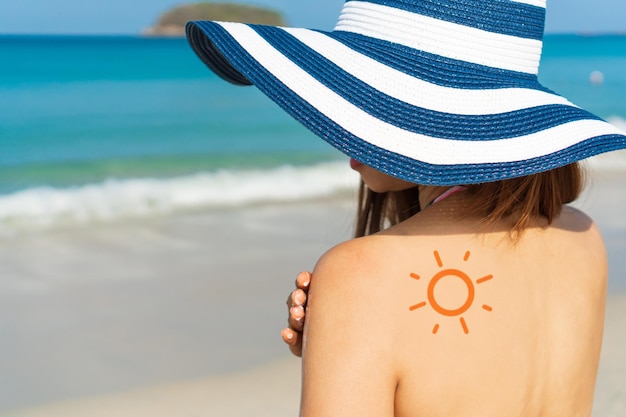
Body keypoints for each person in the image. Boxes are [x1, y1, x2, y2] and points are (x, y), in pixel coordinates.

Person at [185, 0, 626, 415]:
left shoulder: (361, 277)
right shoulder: (582, 237)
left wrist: (347, 328)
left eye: (365, 94)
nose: (343, 123)